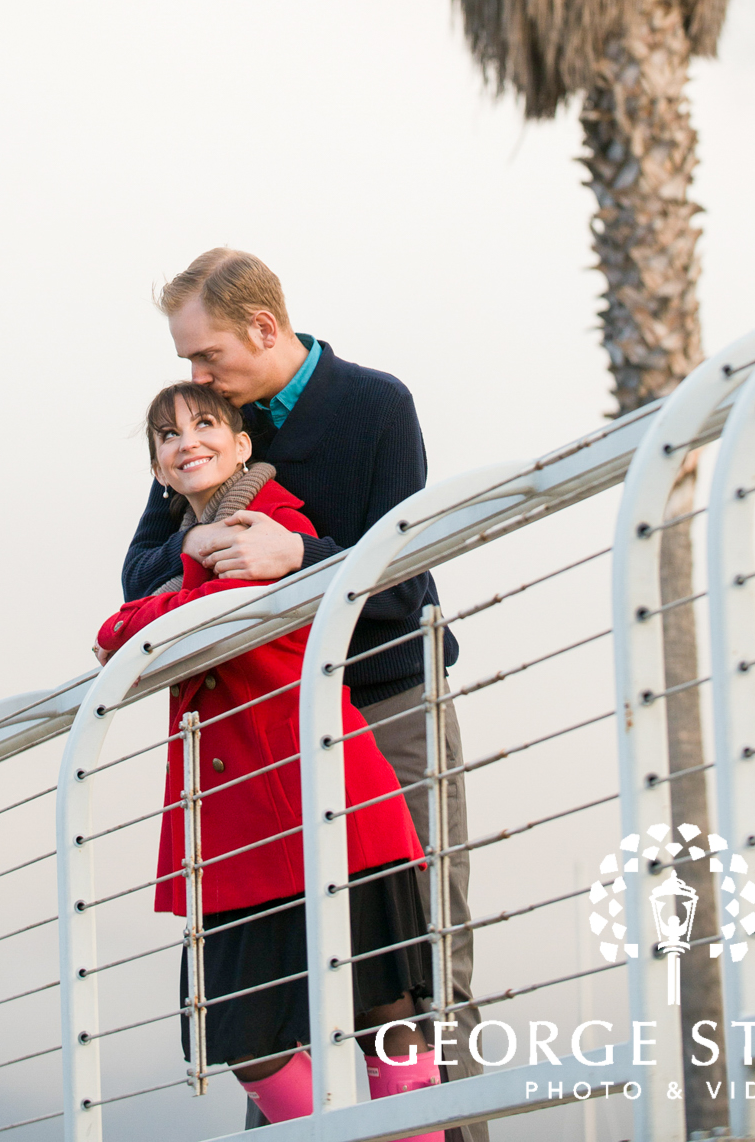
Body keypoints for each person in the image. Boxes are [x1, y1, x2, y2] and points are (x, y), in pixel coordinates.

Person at [121, 250, 486, 1142]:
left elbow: (402, 578)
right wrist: (203, 542)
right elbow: (138, 571)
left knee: (420, 960)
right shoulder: (208, 428)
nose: (194, 380)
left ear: (262, 328)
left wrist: (302, 561)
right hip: (264, 736)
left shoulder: (374, 405)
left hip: (386, 701)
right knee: (273, 997)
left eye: (204, 357)